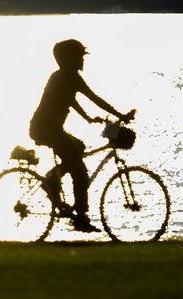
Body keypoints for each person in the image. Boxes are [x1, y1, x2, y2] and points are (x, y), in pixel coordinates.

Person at [29, 39, 135, 233]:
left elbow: (69, 99)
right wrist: (121, 116)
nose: (82, 61)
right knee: (80, 170)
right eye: (79, 56)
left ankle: (53, 179)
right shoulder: (71, 77)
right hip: (49, 129)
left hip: (42, 127)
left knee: (79, 148)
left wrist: (87, 118)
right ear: (70, 59)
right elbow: (95, 98)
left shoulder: (59, 76)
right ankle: (81, 217)